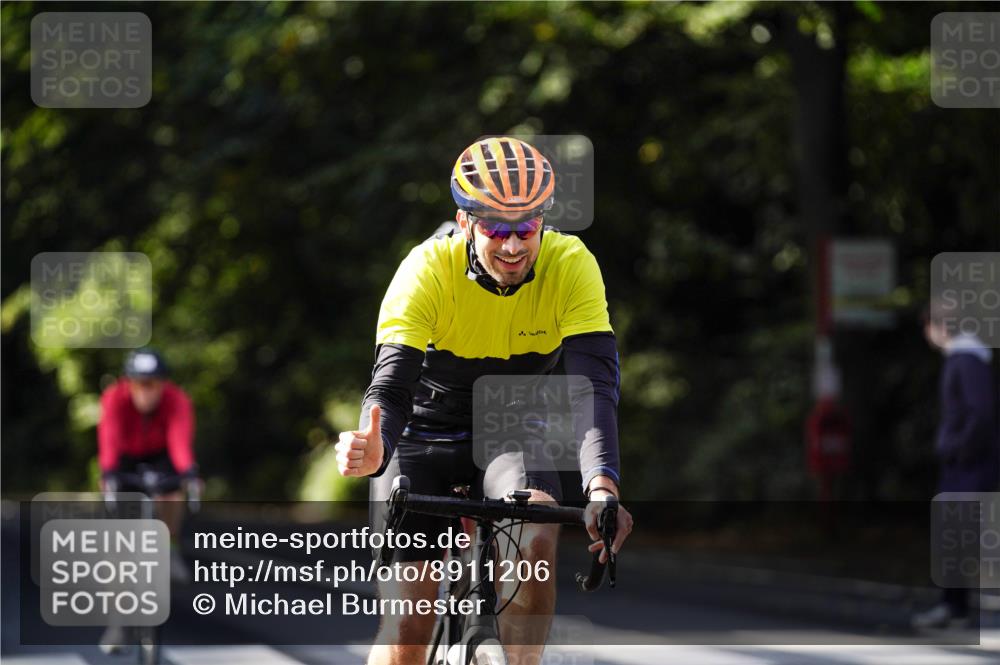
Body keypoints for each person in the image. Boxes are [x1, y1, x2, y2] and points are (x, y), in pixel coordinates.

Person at [336, 136, 633, 665]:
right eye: (496, 227)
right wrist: (376, 444)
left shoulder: (572, 265)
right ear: (465, 220)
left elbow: (594, 387)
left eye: (527, 227)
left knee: (536, 546)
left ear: (545, 220)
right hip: (421, 433)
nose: (513, 246)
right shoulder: (426, 269)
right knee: (410, 618)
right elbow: (391, 386)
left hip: (513, 429)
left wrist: (602, 486)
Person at [97, 348, 200, 652]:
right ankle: (117, 626)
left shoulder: (176, 400)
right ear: (128, 382)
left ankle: (170, 548)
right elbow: (109, 439)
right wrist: (109, 473)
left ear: (163, 384)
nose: (146, 392)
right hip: (125, 459)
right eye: (139, 384)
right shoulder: (115, 399)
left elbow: (180, 440)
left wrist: (189, 473)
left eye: (153, 384)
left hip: (162, 456)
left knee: (173, 491)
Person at [912, 306, 999, 629]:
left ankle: (955, 607)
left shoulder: (967, 361)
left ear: (941, 326)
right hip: (964, 464)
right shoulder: (964, 359)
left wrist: (958, 449)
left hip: (968, 466)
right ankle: (953, 606)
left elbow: (981, 414)